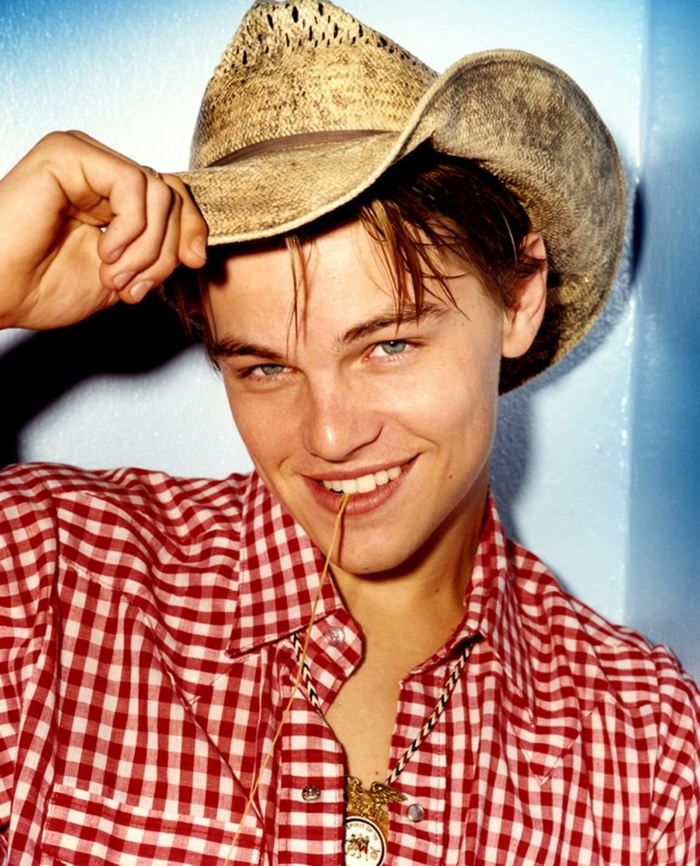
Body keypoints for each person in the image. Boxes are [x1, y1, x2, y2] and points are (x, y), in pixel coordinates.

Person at [1, 1, 698, 865]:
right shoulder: (47, 578)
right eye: (265, 368)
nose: (328, 436)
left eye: (388, 345)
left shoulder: (647, 749)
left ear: (521, 296)